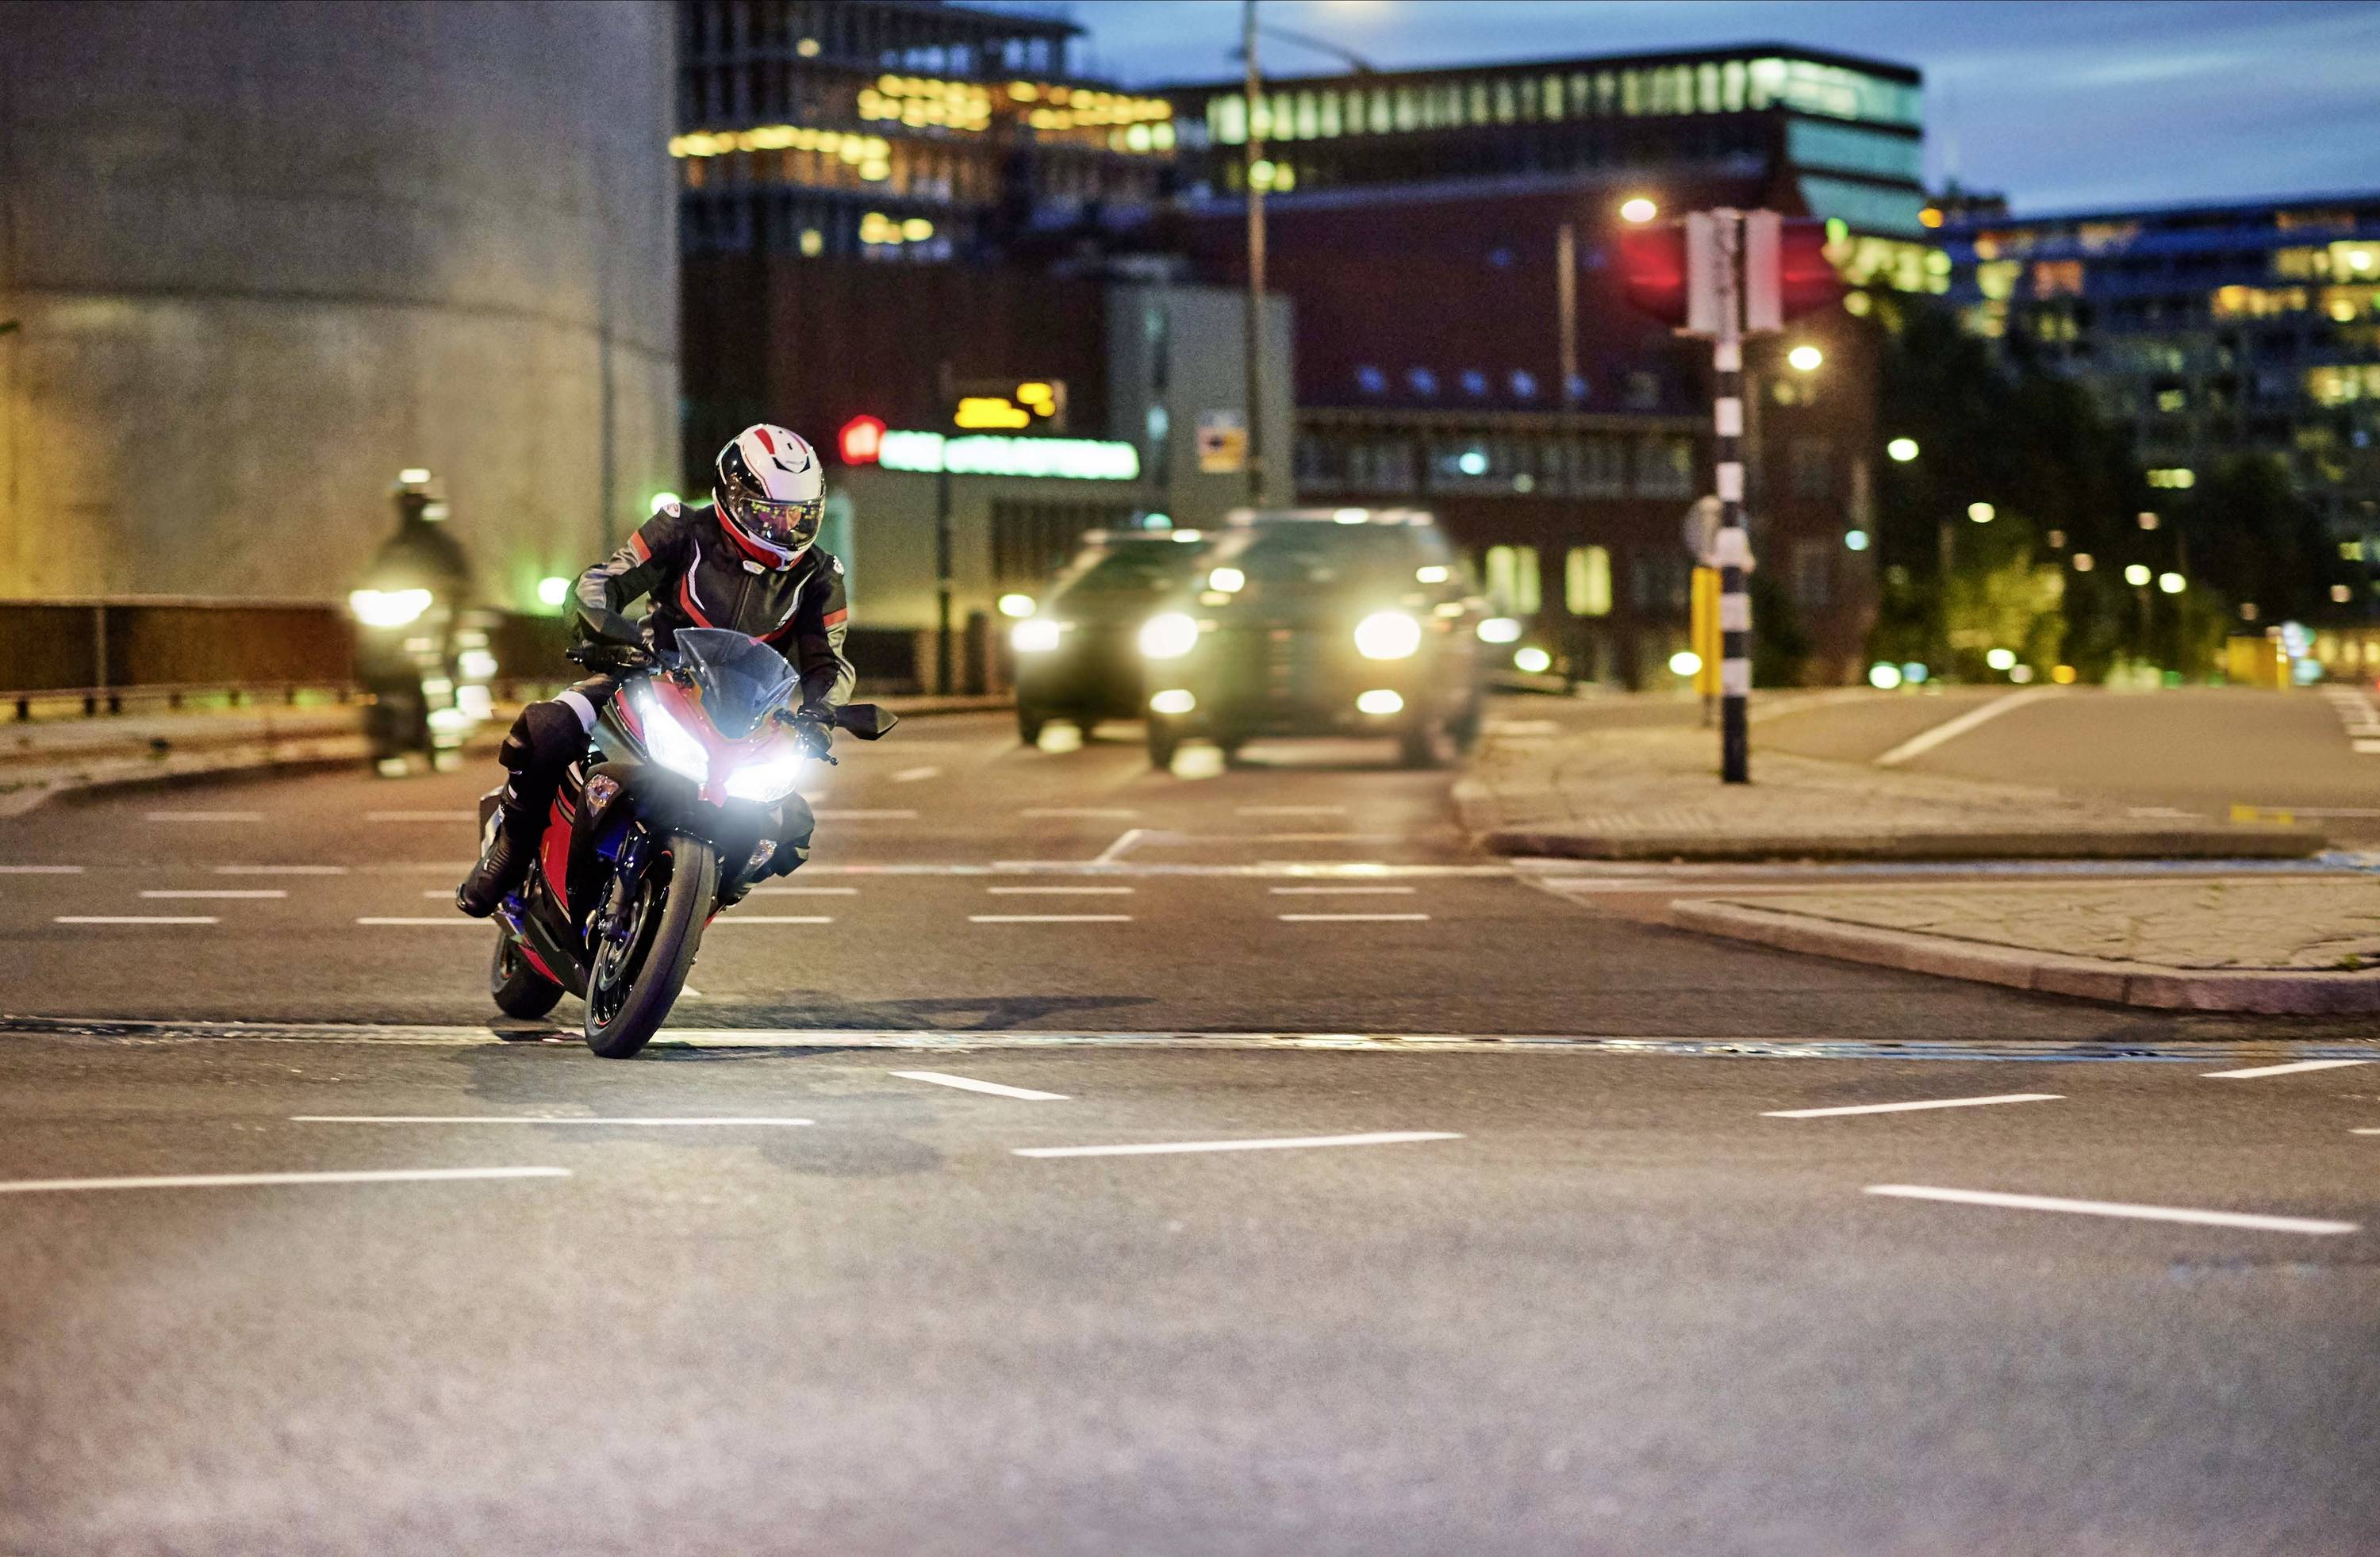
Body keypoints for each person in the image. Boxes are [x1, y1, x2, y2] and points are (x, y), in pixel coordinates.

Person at [455, 424, 854, 917]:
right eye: (768, 512)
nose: (783, 526)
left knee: (789, 827)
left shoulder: (819, 576)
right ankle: (510, 852)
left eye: (796, 514)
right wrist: (602, 632)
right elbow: (604, 581)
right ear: (733, 496)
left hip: (744, 715)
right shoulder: (683, 527)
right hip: (648, 675)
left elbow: (827, 661)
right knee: (549, 727)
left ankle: (701, 906)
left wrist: (820, 714)